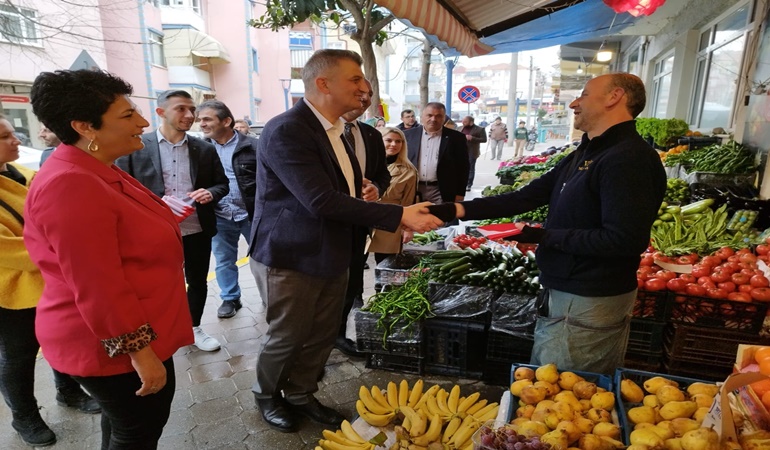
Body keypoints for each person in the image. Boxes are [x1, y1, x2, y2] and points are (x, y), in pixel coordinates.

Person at [248, 49, 442, 433]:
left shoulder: (337, 129)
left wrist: (364, 190)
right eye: (354, 79)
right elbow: (318, 200)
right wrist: (398, 214)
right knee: (287, 335)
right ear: (323, 83)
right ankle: (267, 395)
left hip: (336, 248)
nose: (364, 86)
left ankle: (301, 393)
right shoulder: (289, 129)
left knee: (323, 333)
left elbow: (339, 189)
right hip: (292, 254)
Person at [427, 73, 666, 374]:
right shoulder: (587, 151)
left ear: (614, 97)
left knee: (567, 392)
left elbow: (623, 240)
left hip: (589, 297)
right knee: (548, 382)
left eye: (584, 94)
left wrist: (543, 236)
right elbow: (525, 197)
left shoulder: (628, 159)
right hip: (565, 291)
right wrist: (451, 209)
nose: (574, 104)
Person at [25, 69, 194, 448]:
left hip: (128, 333)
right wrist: (140, 352)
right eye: (127, 115)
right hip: (110, 345)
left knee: (124, 427)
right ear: (86, 127)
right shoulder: (71, 183)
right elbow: (98, 284)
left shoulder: (97, 169)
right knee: (137, 430)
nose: (143, 122)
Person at [0, 114, 101, 447]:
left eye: (12, 133)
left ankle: (68, 391)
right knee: (18, 356)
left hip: (49, 280)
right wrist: (64, 253)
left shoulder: (26, 174)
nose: (15, 140)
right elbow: (10, 251)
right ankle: (24, 416)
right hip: (12, 292)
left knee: (61, 339)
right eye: (4, 137)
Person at [115, 90, 229, 352]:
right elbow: (120, 190)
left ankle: (194, 327)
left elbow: (221, 184)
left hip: (197, 229)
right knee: (159, 284)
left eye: (192, 110)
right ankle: (160, 330)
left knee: (197, 280)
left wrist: (210, 192)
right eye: (181, 109)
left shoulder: (204, 148)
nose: (190, 115)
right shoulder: (136, 147)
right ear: (161, 112)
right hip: (153, 232)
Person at [336, 81, 391, 358]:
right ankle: (314, 347)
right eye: (359, 93)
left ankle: (338, 335)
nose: (365, 99)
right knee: (324, 287)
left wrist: (376, 189)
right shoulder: (320, 132)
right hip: (326, 223)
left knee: (352, 280)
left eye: (368, 95)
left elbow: (383, 173)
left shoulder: (370, 134)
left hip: (359, 222)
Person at [197, 100, 258, 319]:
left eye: (207, 119)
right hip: (219, 214)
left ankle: (270, 296)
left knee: (262, 257)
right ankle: (230, 297)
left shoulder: (253, 146)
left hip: (252, 214)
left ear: (226, 121)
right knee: (223, 259)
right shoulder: (201, 149)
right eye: (200, 119)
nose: (201, 124)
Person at [368, 127, 418, 264]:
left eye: (398, 141)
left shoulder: (409, 171)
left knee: (385, 265)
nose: (394, 144)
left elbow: (408, 202)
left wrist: (408, 229)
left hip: (389, 221)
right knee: (355, 265)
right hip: (364, 217)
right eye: (388, 140)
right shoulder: (366, 163)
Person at [403, 102, 469, 205]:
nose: (433, 119)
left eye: (438, 116)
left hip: (442, 191)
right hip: (412, 190)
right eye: (429, 115)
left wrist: (460, 193)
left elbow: (463, 167)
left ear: (444, 118)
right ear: (422, 117)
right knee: (414, 220)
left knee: (441, 220)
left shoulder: (456, 138)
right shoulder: (408, 136)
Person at [461, 115, 487, 192]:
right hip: (461, 151)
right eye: (463, 121)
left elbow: (484, 139)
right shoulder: (459, 128)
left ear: (471, 122)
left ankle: (468, 185)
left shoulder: (480, 129)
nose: (463, 122)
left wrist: (472, 138)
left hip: (472, 152)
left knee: (470, 168)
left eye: (465, 121)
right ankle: (461, 183)